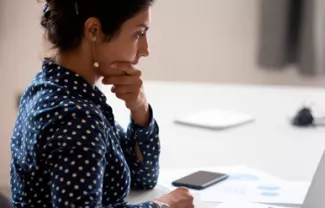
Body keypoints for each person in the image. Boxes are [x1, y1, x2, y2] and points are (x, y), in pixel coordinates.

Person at [10, 0, 194, 207]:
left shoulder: (52, 86)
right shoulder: (75, 117)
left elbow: (143, 177)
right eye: (138, 34)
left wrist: (139, 108)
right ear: (93, 30)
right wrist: (162, 206)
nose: (145, 50)